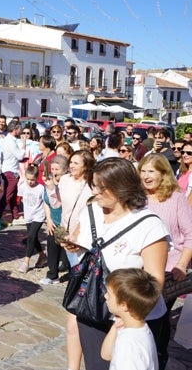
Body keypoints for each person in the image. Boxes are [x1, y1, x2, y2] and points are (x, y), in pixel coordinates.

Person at [63, 158, 169, 370]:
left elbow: (155, 280)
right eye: (94, 186)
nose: (96, 193)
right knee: (97, 364)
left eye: (103, 189)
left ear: (122, 188)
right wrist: (74, 245)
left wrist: (126, 315)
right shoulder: (91, 211)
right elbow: (78, 238)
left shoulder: (149, 226)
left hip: (129, 316)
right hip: (92, 304)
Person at [46, 149, 95, 370]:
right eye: (71, 162)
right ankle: (79, 304)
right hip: (66, 232)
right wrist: (50, 190)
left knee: (82, 269)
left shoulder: (92, 184)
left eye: (76, 162)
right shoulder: (64, 180)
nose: (71, 166)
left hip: (83, 235)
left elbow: (90, 212)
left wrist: (76, 235)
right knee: (76, 270)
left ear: (86, 165)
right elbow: (57, 205)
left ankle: (82, 307)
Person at [138, 153, 192, 355]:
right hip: (139, 267)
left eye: (151, 171)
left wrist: (182, 264)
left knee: (157, 318)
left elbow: (190, 234)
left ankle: (157, 358)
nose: (146, 175)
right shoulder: (138, 198)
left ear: (163, 174)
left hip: (168, 269)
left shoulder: (176, 198)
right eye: (142, 170)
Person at [101, 268, 161, 369]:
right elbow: (106, 355)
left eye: (109, 295)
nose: (105, 296)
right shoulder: (136, 327)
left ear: (124, 305)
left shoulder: (130, 344)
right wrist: (115, 327)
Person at [40, 155, 70, 285]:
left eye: (57, 169)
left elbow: (61, 203)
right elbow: (46, 201)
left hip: (66, 223)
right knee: (52, 248)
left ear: (65, 170)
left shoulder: (67, 184)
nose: (54, 172)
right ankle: (52, 275)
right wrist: (49, 219)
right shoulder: (49, 182)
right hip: (54, 222)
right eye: (52, 168)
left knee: (66, 252)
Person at [16, 165, 47, 272]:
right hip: (28, 215)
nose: (30, 182)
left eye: (32, 180)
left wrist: (47, 217)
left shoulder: (41, 189)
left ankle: (26, 262)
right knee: (33, 238)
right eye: (28, 179)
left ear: (37, 178)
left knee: (30, 237)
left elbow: (45, 202)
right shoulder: (23, 186)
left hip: (39, 215)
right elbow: (21, 199)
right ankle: (42, 255)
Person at [0, 121, 26, 226]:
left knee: (12, 196)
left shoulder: (8, 140)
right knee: (7, 196)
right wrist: (24, 145)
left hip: (10, 171)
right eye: (20, 129)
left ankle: (15, 216)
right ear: (15, 130)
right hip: (10, 172)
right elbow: (20, 156)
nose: (21, 131)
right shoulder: (10, 141)